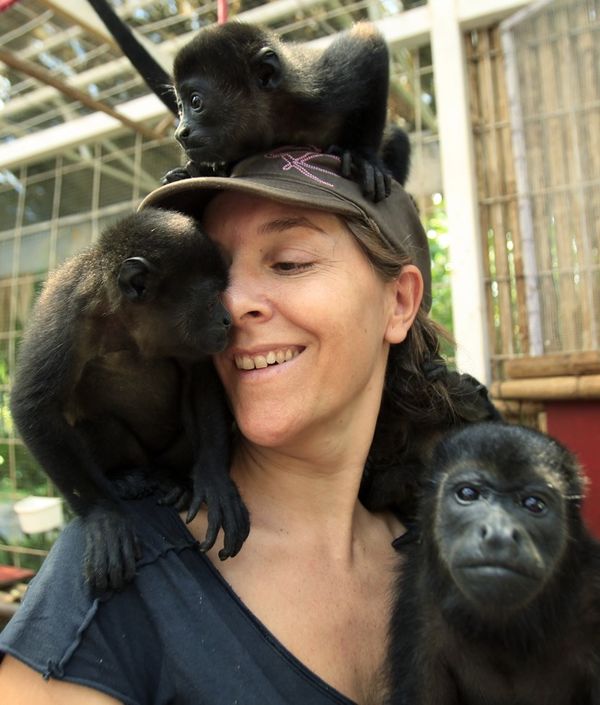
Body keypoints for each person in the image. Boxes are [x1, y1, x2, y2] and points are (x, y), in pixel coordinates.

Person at [0, 147, 496, 705]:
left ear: (399, 302)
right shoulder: (108, 591)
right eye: (219, 279)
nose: (232, 306)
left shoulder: (469, 554)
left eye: (288, 263)